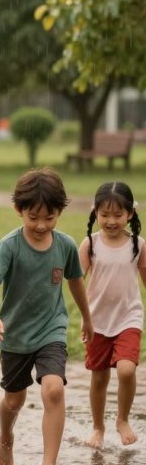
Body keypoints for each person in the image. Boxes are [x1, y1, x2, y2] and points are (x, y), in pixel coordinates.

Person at [0, 167, 93, 465]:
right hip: (14, 335)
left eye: (50, 217)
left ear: (60, 212)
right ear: (19, 210)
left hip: (51, 331)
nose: (41, 225)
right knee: (13, 400)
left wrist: (86, 317)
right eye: (33, 218)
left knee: (53, 389)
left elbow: (75, 282)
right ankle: (5, 435)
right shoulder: (10, 246)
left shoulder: (66, 245)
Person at [79, 181, 146, 449]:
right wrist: (82, 317)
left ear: (130, 213)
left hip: (128, 317)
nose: (111, 221)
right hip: (97, 321)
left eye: (118, 215)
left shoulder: (138, 244)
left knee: (127, 370)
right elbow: (76, 281)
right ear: (95, 212)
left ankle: (122, 419)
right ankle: (98, 426)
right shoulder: (90, 244)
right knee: (99, 377)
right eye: (105, 215)